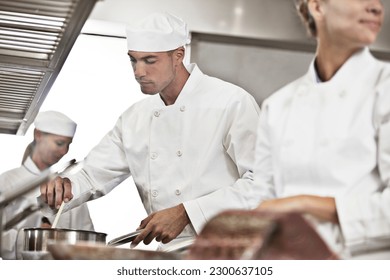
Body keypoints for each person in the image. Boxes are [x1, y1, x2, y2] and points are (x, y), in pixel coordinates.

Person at [39, 12, 261, 250]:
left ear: (178, 55)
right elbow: (92, 176)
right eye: (133, 60)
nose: (138, 72)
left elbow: (265, 184)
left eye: (150, 60)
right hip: (169, 254)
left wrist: (187, 212)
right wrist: (66, 187)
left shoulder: (230, 102)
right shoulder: (134, 119)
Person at [253, 0, 390, 259]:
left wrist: (303, 203)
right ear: (317, 7)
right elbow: (260, 203)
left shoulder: (385, 88)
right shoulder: (278, 105)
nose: (377, 6)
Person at [0, 111, 94, 259]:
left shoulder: (67, 186)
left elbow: (88, 241)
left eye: (68, 145)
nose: (64, 151)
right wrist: (29, 237)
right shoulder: (6, 182)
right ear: (38, 135)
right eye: (59, 143)